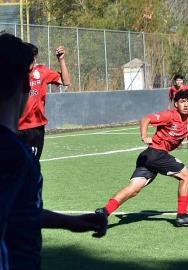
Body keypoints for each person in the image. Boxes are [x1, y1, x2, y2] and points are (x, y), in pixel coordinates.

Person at [0, 33, 107, 270]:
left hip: (34, 131)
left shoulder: (15, 155)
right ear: (25, 85)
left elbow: (22, 212)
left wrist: (71, 222)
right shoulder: (13, 155)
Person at [96, 90, 188, 227]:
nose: (186, 104)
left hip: (149, 157)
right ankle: (182, 215)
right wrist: (144, 136)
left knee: (134, 189)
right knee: (187, 176)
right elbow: (145, 119)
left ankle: (105, 212)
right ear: (176, 104)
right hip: (156, 153)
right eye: (182, 101)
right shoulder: (169, 115)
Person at [17, 42, 71, 160]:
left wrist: (61, 60)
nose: (32, 60)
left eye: (34, 57)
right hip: (16, 127)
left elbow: (66, 82)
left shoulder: (42, 72)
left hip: (36, 128)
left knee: (32, 164)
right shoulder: (13, 73)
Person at [168, 74, 188, 148]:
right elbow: (171, 98)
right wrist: (169, 106)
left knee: (187, 125)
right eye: (177, 80)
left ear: (182, 81)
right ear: (175, 81)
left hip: (185, 109)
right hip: (176, 109)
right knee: (177, 125)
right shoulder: (172, 88)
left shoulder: (186, 88)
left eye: (180, 80)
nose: (178, 82)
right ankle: (179, 143)